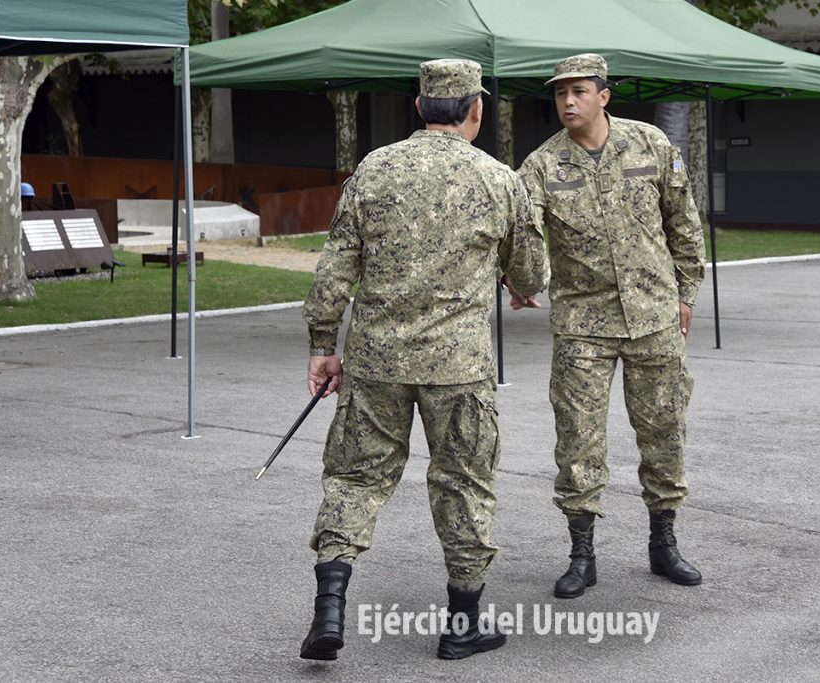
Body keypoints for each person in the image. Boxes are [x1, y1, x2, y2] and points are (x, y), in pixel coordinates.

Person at [299, 58, 548, 660]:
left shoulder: (374, 169)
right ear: (476, 111)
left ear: (419, 107)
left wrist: (324, 346)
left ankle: (329, 611)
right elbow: (532, 273)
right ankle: (462, 626)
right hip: (458, 368)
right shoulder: (499, 180)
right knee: (464, 483)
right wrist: (512, 278)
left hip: (376, 362)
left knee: (355, 479)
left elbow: (333, 272)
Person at [515, 53, 706, 598]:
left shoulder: (650, 144)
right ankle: (582, 555)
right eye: (560, 93)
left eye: (578, 91)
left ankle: (664, 543)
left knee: (664, 430)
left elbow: (683, 221)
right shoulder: (541, 165)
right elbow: (522, 235)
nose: (567, 101)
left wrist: (686, 292)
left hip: (653, 316)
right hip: (582, 325)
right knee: (578, 439)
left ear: (603, 95)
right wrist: (520, 278)